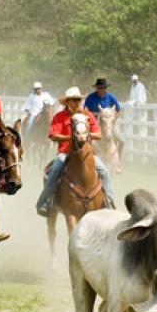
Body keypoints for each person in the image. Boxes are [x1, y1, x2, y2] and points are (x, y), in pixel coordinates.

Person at [36, 87, 116, 216]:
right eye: (74, 100)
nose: (77, 102)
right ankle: (45, 201)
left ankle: (109, 202)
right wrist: (71, 137)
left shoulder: (88, 115)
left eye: (79, 100)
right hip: (65, 152)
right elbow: (53, 135)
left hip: (86, 152)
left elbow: (98, 135)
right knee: (54, 169)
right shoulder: (59, 116)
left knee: (104, 172)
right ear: (67, 102)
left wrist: (86, 134)